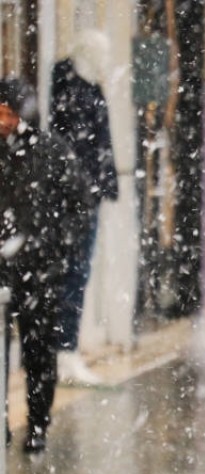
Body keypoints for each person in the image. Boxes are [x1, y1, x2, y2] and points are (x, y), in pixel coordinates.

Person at [0, 78, 92, 453]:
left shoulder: (51, 151)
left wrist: (56, 247)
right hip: (3, 271)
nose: (3, 121)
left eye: (9, 113)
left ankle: (38, 424)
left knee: (39, 351)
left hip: (41, 271)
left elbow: (80, 203)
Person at [50, 31, 119, 387]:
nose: (106, 62)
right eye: (101, 54)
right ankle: (62, 351)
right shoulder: (73, 91)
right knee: (71, 273)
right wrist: (89, 189)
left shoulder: (85, 88)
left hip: (81, 198)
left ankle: (65, 349)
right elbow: (79, 147)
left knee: (75, 273)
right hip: (72, 200)